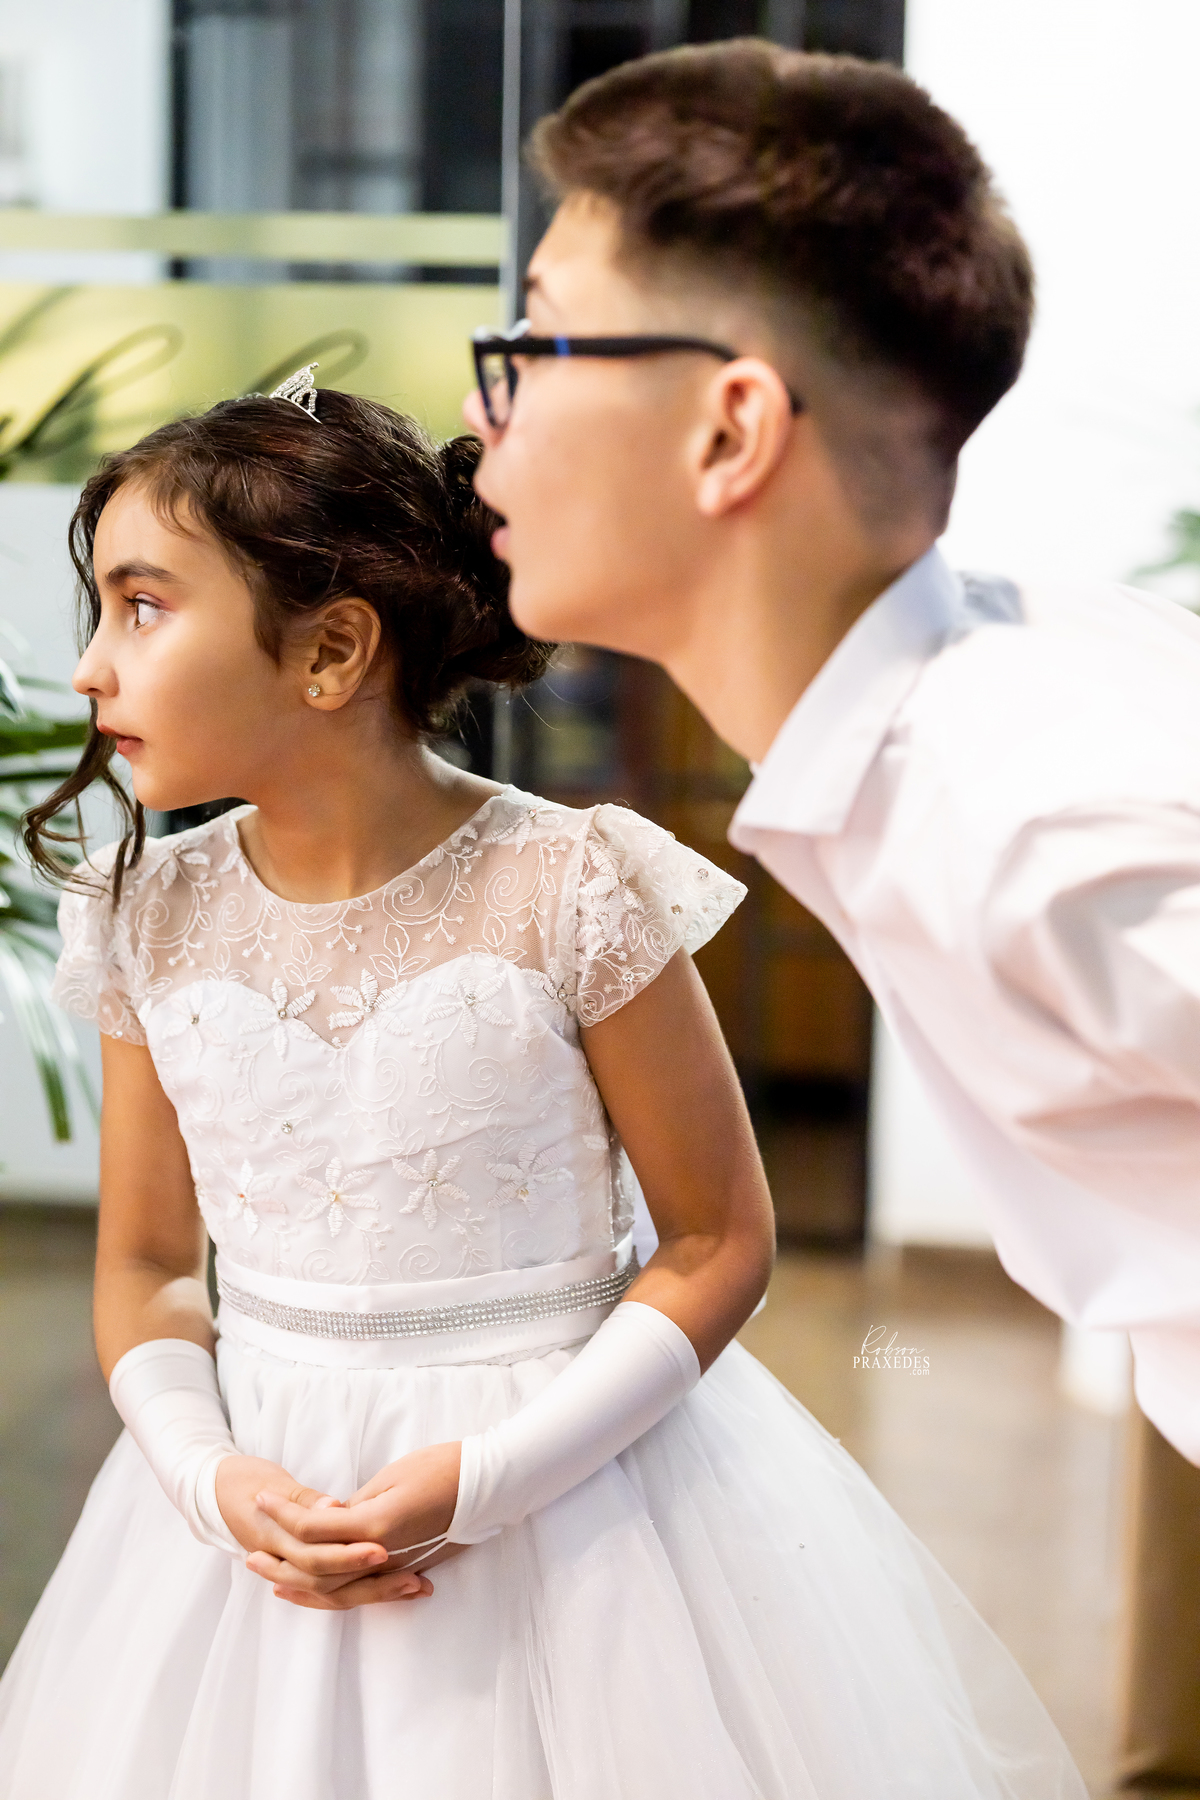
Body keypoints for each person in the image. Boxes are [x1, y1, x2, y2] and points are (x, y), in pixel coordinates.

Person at [0, 377, 1084, 1797]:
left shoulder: (570, 883)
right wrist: (208, 1479)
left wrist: (496, 1478)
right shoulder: (147, 911)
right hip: (254, 1514)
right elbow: (147, 1263)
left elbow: (716, 1241)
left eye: (142, 608)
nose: (88, 666)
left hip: (575, 1513)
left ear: (331, 651)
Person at [463, 38, 1200, 1783]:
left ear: (730, 427)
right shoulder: (955, 730)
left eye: (540, 339)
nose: (487, 411)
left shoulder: (1024, 817)